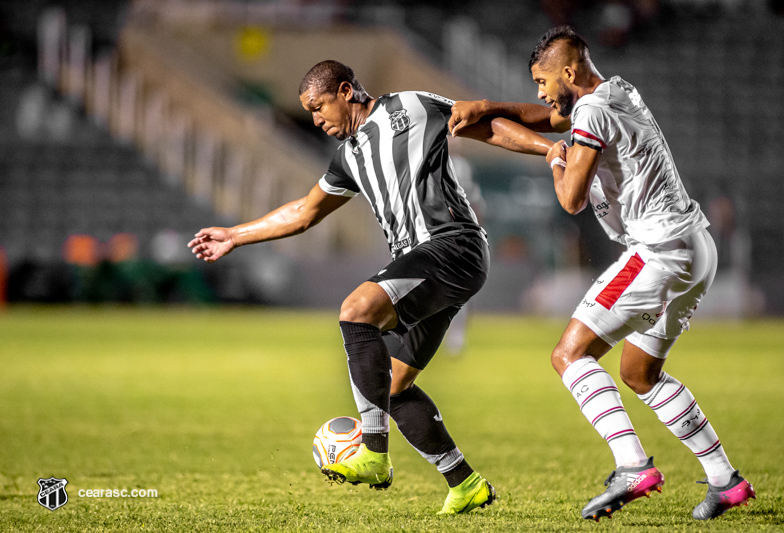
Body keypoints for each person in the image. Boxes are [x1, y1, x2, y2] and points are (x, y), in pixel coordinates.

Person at [188, 60, 554, 514]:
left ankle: (374, 455)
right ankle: (466, 484)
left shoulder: (412, 107)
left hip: (453, 244)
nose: (316, 120)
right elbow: (304, 212)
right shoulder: (348, 156)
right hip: (423, 261)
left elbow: (488, 126)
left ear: (346, 91)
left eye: (319, 107)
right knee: (395, 386)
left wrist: (551, 149)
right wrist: (236, 234)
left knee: (356, 309)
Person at [449, 26, 755, 521]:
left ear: (568, 72)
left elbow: (571, 199)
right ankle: (725, 479)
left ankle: (632, 465)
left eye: (542, 80)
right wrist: (488, 107)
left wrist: (554, 160)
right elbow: (549, 116)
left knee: (569, 355)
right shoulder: (617, 91)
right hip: (696, 247)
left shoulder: (590, 111)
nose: (541, 93)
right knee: (640, 374)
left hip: (656, 251)